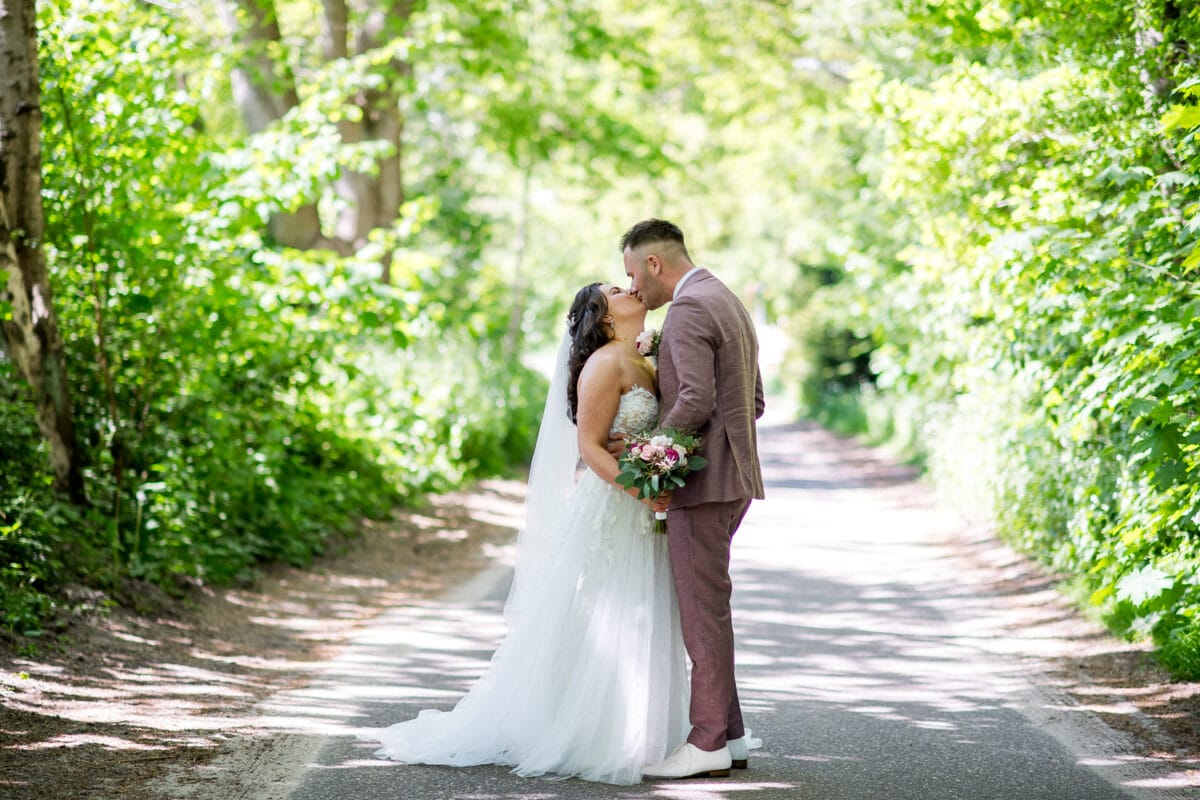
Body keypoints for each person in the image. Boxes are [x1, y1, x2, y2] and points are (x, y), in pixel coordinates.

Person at [357, 282, 691, 785]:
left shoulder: (647, 355)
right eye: (617, 289)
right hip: (616, 505)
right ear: (603, 318)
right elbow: (591, 446)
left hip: (643, 504)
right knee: (606, 608)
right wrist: (640, 491)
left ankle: (645, 728)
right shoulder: (604, 364)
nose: (631, 288)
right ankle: (589, 728)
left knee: (643, 607)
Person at [621, 219, 766, 780]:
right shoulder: (725, 297)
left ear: (655, 263)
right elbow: (752, 401)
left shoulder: (686, 309)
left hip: (704, 486)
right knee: (713, 607)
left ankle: (704, 741)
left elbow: (696, 399)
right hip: (736, 480)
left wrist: (651, 459)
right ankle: (728, 735)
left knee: (701, 615)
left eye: (633, 272)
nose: (632, 286)